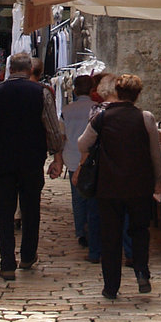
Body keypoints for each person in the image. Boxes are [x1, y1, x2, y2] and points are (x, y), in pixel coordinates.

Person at [0, 51, 64, 279]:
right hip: (32, 161)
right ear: (29, 71)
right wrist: (57, 157)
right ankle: (28, 256)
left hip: (2, 161)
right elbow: (52, 127)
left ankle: (7, 264)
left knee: (4, 213)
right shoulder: (41, 93)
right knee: (31, 209)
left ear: (10, 69)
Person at [78, 73, 161, 300]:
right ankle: (142, 273)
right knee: (139, 231)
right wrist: (158, 179)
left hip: (109, 185)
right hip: (139, 185)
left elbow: (82, 143)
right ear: (137, 95)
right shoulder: (145, 118)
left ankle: (111, 285)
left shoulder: (103, 118)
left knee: (110, 235)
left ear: (117, 92)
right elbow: (155, 153)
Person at [62, 74, 103, 261]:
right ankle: (91, 229)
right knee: (92, 197)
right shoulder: (96, 110)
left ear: (75, 90)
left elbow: (61, 133)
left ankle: (81, 231)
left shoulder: (67, 110)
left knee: (77, 197)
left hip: (72, 156)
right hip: (92, 158)